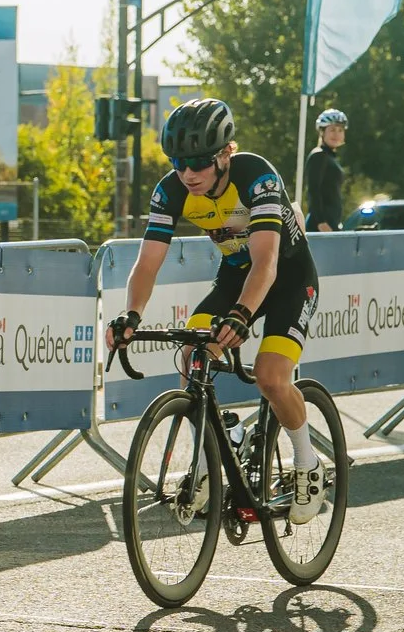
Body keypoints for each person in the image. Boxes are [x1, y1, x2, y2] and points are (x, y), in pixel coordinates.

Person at [106, 97, 329, 523]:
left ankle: (308, 463)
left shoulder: (255, 175)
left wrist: (242, 316)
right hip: (233, 278)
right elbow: (147, 261)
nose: (188, 174)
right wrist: (131, 314)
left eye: (200, 163)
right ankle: (208, 467)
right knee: (193, 353)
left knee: (270, 375)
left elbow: (266, 263)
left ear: (226, 154)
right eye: (178, 162)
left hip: (288, 279)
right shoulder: (171, 189)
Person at [303, 108, 348, 232]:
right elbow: (313, 190)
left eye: (340, 130)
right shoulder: (319, 155)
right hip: (321, 225)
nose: (336, 134)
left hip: (331, 222)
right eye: (332, 129)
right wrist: (321, 222)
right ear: (322, 132)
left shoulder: (330, 157)